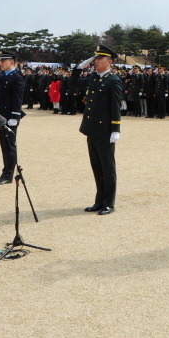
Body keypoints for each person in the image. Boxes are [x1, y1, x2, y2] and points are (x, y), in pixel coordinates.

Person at [74, 44, 123, 215]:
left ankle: (109, 203)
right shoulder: (94, 78)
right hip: (92, 129)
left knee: (107, 168)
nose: (96, 61)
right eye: (95, 58)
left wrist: (115, 129)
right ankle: (99, 201)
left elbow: (116, 106)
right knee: (97, 167)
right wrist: (80, 66)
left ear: (109, 61)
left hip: (105, 131)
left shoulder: (114, 80)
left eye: (100, 58)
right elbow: (74, 83)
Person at [0, 51, 26, 185]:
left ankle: (8, 175)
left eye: (3, 61)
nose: (0, 63)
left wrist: (15, 116)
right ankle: (5, 171)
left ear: (11, 62)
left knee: (9, 146)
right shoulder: (2, 75)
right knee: (4, 145)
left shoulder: (17, 77)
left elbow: (18, 99)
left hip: (9, 117)